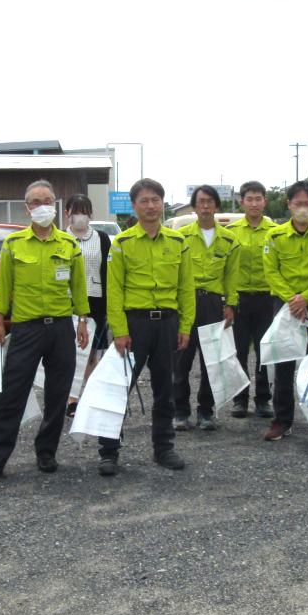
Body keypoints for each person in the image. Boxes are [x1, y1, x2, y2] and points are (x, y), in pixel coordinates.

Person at [0, 181, 90, 484]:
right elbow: (3, 288)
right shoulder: (14, 244)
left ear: (55, 205)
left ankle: (46, 452)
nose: (42, 206)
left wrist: (83, 320)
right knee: (11, 394)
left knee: (57, 395)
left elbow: (78, 287)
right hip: (26, 330)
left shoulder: (68, 245)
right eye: (35, 202)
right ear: (27, 208)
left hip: (60, 330)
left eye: (47, 200)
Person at [101, 178, 195, 474]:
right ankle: (109, 451)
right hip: (134, 325)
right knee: (119, 390)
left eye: (156, 199)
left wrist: (186, 327)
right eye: (144, 200)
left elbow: (186, 288)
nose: (151, 205)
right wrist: (119, 330)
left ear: (162, 203)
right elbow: (113, 290)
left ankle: (164, 448)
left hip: (167, 324)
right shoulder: (122, 243)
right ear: (134, 206)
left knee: (164, 389)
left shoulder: (178, 242)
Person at [261, 180, 308, 442]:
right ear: (289, 205)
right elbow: (271, 272)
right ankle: (282, 419)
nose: (303, 208)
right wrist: (293, 300)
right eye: (298, 203)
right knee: (282, 364)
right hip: (284, 306)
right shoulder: (274, 236)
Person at [174, 185, 240, 430]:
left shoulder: (230, 239)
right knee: (181, 358)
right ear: (193, 206)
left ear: (216, 206)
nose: (205, 206)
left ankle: (206, 413)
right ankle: (180, 412)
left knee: (211, 361)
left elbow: (232, 276)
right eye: (200, 201)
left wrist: (230, 305)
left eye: (210, 201)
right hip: (186, 302)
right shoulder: (181, 236)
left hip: (214, 303)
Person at [224, 181, 276, 420]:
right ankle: (240, 399)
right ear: (242, 202)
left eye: (259, 198)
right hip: (240, 300)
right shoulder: (232, 232)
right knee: (240, 352)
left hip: (267, 299)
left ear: (265, 201)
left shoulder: (275, 231)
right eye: (249, 199)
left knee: (266, 351)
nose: (254, 203)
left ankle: (263, 399)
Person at [63, 193, 111, 411]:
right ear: (67, 214)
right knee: (69, 351)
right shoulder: (59, 238)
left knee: (92, 350)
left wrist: (109, 306)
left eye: (84, 211)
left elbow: (107, 272)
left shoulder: (101, 238)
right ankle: (71, 399)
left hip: (95, 300)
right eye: (76, 211)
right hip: (66, 302)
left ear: (90, 214)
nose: (80, 216)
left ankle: (91, 395)